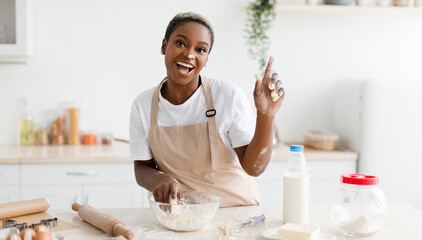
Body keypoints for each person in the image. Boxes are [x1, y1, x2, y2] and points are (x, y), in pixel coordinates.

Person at [130, 12, 284, 207]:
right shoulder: (142, 106)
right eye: (180, 43)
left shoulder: (228, 95)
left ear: (207, 58)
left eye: (201, 49)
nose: (189, 54)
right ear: (164, 45)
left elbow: (254, 168)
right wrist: (159, 180)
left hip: (237, 212)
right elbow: (142, 168)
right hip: (185, 215)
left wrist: (266, 115)